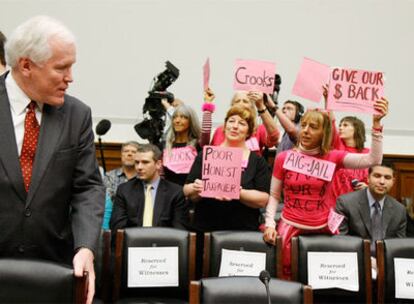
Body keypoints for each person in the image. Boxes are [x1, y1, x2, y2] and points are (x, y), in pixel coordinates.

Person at [1, 16, 104, 303]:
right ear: (26, 66)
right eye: (61, 68)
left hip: (53, 270)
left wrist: (86, 247)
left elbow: (88, 188)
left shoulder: (77, 115)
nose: (70, 77)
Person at [263, 99, 388, 279]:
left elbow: (373, 160)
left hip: (323, 230)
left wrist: (376, 125)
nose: (305, 130)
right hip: (289, 228)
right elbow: (274, 196)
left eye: (313, 127)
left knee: (321, 281)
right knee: (287, 279)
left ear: (324, 132)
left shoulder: (333, 157)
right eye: (304, 125)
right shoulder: (283, 158)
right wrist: (269, 224)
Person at [184, 105, 271, 232]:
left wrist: (237, 191)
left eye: (242, 123)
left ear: (249, 132)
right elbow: (187, 189)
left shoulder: (257, 161)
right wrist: (196, 188)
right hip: (206, 228)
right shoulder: (206, 154)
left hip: (242, 231)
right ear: (224, 127)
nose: (235, 126)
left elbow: (263, 199)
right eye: (231, 121)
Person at [110, 144, 189, 233]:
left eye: (145, 162)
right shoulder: (124, 190)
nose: (139, 167)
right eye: (137, 162)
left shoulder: (175, 192)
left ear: (158, 164)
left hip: (164, 245)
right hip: (132, 244)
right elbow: (117, 227)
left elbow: (180, 231)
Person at [210, 91, 280, 156]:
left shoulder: (258, 129)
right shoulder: (220, 130)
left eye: (245, 101)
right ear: (232, 105)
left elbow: (274, 138)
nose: (241, 104)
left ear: (252, 107)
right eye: (237, 101)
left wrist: (261, 106)